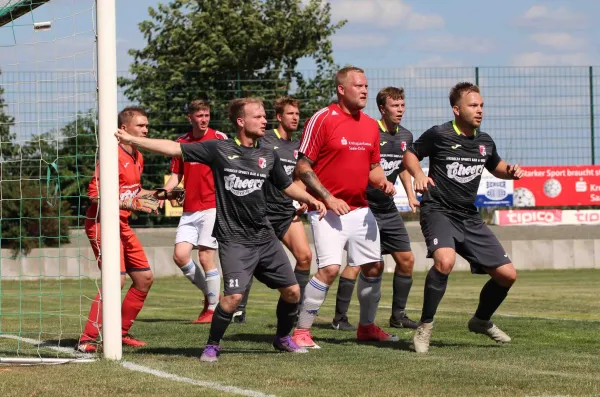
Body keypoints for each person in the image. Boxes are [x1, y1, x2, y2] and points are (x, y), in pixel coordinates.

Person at [115, 97, 327, 363]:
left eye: (265, 116)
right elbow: (173, 148)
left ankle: (283, 338)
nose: (265, 121)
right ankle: (213, 345)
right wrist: (134, 141)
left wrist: (312, 198)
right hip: (235, 239)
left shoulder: (267, 154)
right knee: (232, 298)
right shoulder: (218, 149)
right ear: (241, 122)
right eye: (258, 116)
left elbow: (286, 186)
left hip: (264, 237)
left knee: (293, 292)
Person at [403, 82, 524, 353]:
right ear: (456, 109)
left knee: (507, 275)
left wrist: (511, 171)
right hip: (439, 211)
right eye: (473, 105)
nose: (479, 110)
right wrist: (419, 175)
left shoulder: (484, 141)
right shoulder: (439, 134)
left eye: (481, 105)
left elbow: (497, 167)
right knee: (444, 261)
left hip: (469, 216)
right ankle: (425, 326)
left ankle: (480, 321)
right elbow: (410, 154)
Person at [292, 66, 398, 349]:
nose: (364, 91)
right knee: (329, 269)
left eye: (366, 86)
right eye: (359, 86)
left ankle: (366, 328)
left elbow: (373, 168)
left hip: (360, 210)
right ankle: (301, 331)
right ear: (342, 89)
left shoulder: (370, 126)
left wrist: (383, 183)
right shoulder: (322, 119)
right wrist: (328, 198)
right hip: (327, 212)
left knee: (375, 267)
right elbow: (303, 167)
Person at [77, 107, 181, 353]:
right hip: (101, 223)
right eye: (141, 126)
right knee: (116, 279)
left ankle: (120, 333)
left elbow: (135, 192)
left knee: (144, 278)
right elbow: (94, 196)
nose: (146, 130)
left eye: (147, 126)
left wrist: (164, 195)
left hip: (122, 224)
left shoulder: (138, 156)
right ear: (124, 129)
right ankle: (86, 339)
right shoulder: (111, 155)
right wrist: (129, 203)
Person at [331, 86, 420, 331]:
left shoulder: (405, 137)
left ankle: (398, 316)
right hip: (363, 207)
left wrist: (411, 196)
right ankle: (340, 318)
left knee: (406, 259)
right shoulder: (369, 132)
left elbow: (402, 166)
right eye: (394, 106)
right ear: (382, 109)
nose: (400, 110)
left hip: (388, 208)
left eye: (402, 105)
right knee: (357, 264)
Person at [232, 96, 312, 323]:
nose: (295, 117)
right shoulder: (264, 140)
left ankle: (293, 309)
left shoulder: (299, 146)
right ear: (279, 117)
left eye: (297, 114)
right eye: (290, 113)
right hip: (263, 212)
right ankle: (238, 309)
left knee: (305, 257)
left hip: (287, 211)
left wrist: (302, 197)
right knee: (252, 260)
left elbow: (298, 177)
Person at [163, 100, 227, 324]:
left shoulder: (219, 138)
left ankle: (212, 309)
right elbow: (175, 176)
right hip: (189, 209)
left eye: (207, 115)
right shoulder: (181, 143)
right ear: (190, 118)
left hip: (212, 206)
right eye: (199, 115)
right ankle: (212, 295)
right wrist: (164, 192)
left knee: (205, 257)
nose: (204, 119)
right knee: (180, 256)